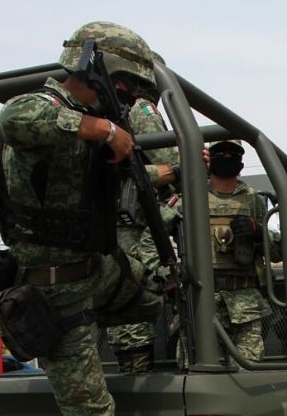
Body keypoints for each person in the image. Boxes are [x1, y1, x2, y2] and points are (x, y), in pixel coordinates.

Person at [0, 21, 164, 416]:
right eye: (128, 86)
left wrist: (164, 170)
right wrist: (106, 133)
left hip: (96, 274)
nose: (130, 98)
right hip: (56, 293)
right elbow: (15, 117)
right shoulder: (45, 111)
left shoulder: (84, 123)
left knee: (164, 295)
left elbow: (128, 179)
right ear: (98, 70)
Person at [106, 48, 182, 374]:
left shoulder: (100, 116)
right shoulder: (141, 110)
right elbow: (174, 160)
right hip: (139, 235)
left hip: (111, 239)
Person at [206, 140, 279, 361]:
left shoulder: (255, 200)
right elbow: (154, 240)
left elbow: (280, 251)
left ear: (241, 163)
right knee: (203, 372)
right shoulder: (190, 197)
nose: (227, 156)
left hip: (246, 304)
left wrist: (258, 231)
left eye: (233, 153)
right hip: (202, 303)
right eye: (220, 152)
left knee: (248, 375)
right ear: (209, 159)